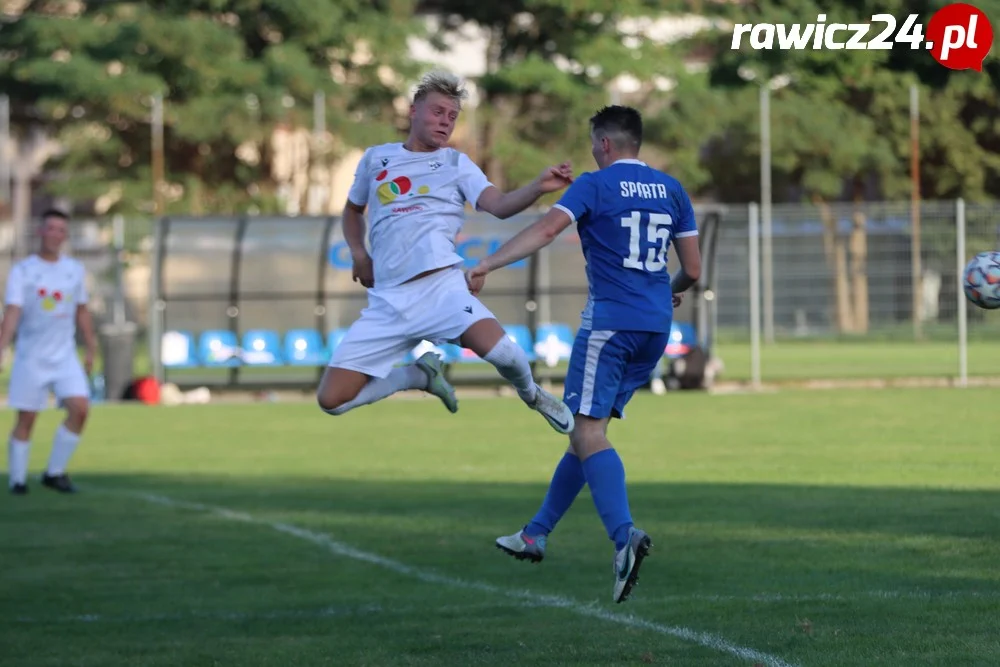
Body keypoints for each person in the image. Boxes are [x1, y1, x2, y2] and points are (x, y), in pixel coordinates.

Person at [466, 105, 702, 603]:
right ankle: (535, 532)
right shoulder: (673, 189)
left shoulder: (596, 185)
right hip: (655, 328)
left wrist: (488, 261)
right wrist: (666, 289)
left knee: (588, 431)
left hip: (609, 326)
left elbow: (547, 230)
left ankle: (624, 539)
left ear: (604, 144)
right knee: (585, 431)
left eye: (594, 143)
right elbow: (694, 271)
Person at [315, 71, 575, 435]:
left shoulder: (456, 164)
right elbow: (352, 210)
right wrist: (359, 253)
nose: (445, 122)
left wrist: (538, 187)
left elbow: (498, 205)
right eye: (438, 112)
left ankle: (533, 395)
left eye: (452, 117)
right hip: (389, 302)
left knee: (507, 355)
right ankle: (417, 376)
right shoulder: (376, 159)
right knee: (332, 401)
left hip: (442, 290)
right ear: (413, 111)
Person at [1, 209, 96, 494]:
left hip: (64, 355)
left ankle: (54, 473)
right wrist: (3, 347)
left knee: (80, 410)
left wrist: (91, 347)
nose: (55, 235)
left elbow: (81, 311)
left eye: (60, 230)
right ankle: (17, 480)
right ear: (41, 232)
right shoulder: (24, 271)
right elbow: (12, 312)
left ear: (65, 236)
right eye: (50, 228)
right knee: (27, 419)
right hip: (31, 357)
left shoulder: (74, 270)